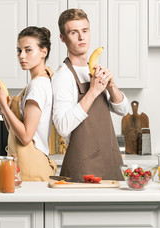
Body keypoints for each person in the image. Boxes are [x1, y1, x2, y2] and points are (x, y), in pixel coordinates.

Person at [52, 9, 130, 181]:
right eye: (74, 32)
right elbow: (63, 126)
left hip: (110, 159)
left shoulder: (94, 70)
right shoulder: (62, 77)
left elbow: (124, 110)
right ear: (63, 38)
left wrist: (111, 86)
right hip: (83, 165)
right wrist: (93, 91)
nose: (81, 37)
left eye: (85, 31)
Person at [0, 26, 57, 181]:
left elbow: (26, 137)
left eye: (28, 50)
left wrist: (5, 106)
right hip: (28, 165)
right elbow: (15, 133)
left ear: (43, 52)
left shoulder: (38, 85)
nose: (22, 56)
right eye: (19, 51)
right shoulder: (37, 83)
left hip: (32, 168)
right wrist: (3, 109)